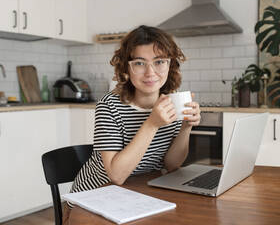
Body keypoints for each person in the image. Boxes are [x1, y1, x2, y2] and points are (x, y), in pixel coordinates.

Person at [63, 25, 201, 224]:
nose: (150, 72)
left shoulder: (169, 103)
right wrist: (152, 124)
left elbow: (172, 164)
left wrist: (186, 127)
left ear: (170, 64)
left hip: (139, 195)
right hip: (93, 199)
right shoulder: (109, 106)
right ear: (126, 68)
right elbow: (117, 176)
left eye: (159, 61)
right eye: (139, 63)